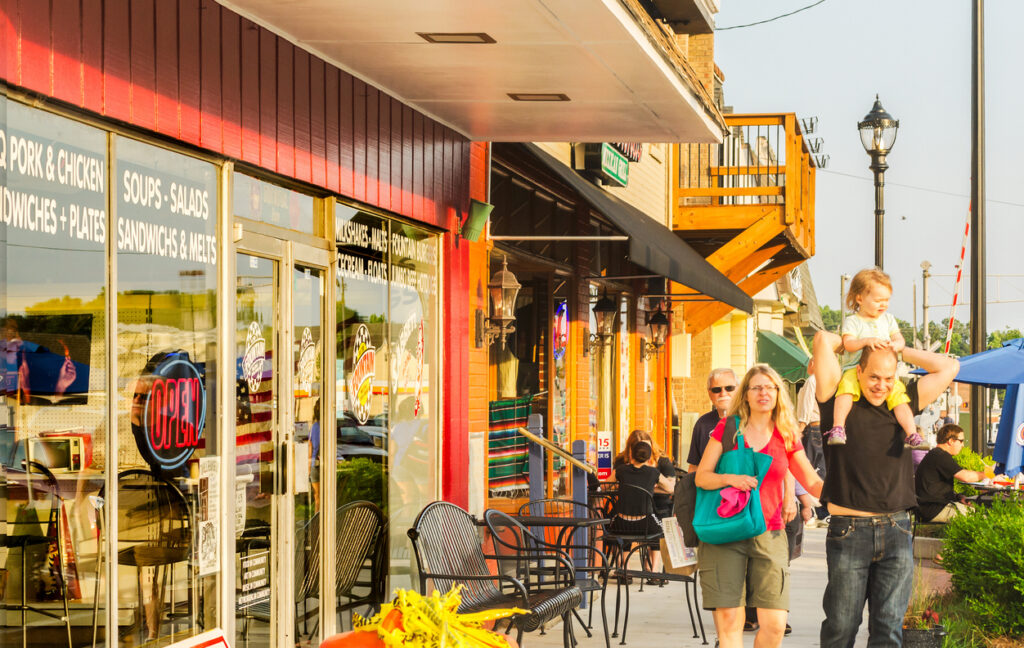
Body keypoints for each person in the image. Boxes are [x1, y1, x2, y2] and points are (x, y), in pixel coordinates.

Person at [813, 329, 959, 647]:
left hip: (897, 529)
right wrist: (862, 342)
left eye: (889, 378)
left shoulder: (903, 402)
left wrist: (900, 350)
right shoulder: (836, 399)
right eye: (874, 377)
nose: (881, 385)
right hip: (849, 530)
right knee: (841, 626)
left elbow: (949, 366)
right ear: (858, 371)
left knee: (889, 629)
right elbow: (823, 340)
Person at [695, 364, 824, 648]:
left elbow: (812, 481)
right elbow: (702, 477)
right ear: (746, 394)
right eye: (757, 387)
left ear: (778, 393)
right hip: (726, 530)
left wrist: (848, 498)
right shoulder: (728, 428)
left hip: (770, 532)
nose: (764, 393)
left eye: (770, 387)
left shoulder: (786, 433)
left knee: (775, 625)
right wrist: (731, 479)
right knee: (730, 620)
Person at [826, 268, 926, 450]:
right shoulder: (854, 321)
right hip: (855, 368)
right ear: (860, 298)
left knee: (900, 397)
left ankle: (912, 433)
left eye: (886, 300)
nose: (883, 305)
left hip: (884, 371)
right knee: (846, 390)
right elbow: (848, 344)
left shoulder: (888, 320)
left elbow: (899, 339)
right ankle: (838, 426)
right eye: (878, 300)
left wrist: (896, 345)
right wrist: (866, 341)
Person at [915, 424, 984, 523]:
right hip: (935, 510)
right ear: (951, 441)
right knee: (983, 517)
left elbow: (936, 489)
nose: (963, 445)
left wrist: (959, 497)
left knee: (978, 510)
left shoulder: (936, 454)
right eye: (961, 441)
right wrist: (989, 474)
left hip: (932, 508)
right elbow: (966, 477)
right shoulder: (940, 456)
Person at [687, 368, 738, 472]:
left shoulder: (749, 420)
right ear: (709, 394)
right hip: (709, 482)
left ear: (738, 390)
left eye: (729, 388)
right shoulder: (702, 424)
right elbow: (694, 466)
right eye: (716, 390)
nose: (723, 394)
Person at [796, 358, 828, 526]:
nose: (808, 365)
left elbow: (807, 406)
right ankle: (823, 512)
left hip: (813, 427)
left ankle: (815, 512)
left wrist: (800, 428)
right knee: (820, 469)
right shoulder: (827, 381)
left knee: (808, 469)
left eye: (811, 362)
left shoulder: (813, 380)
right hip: (821, 428)